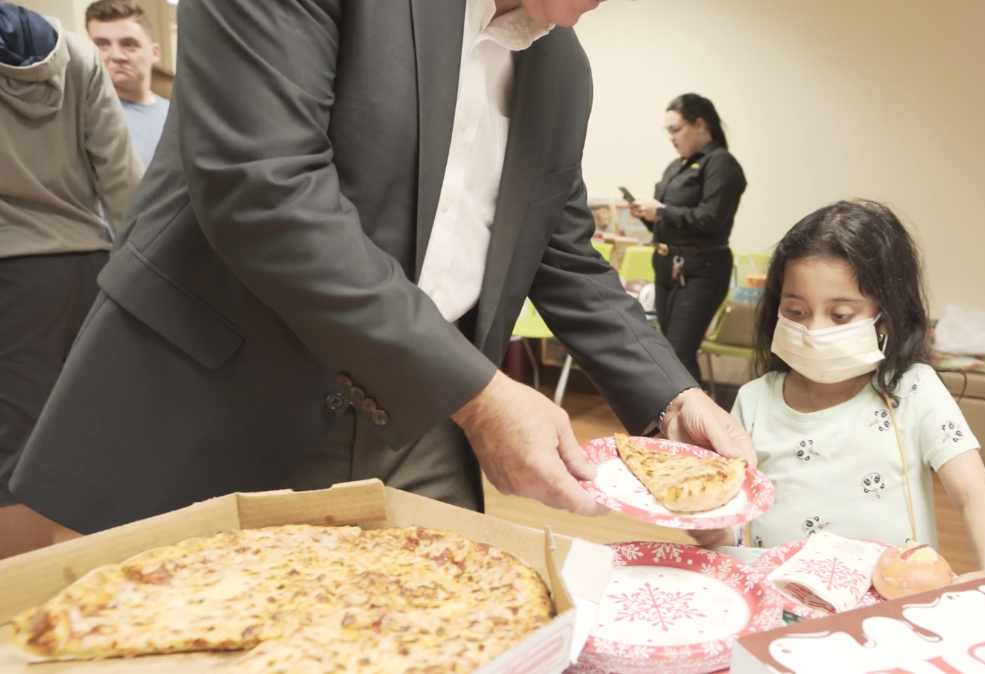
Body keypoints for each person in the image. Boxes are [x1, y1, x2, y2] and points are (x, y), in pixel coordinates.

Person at [10, 0, 754, 536]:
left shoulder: (562, 69)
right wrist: (480, 394)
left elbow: (559, 248)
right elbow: (264, 190)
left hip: (426, 423)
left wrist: (671, 394)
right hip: (223, 389)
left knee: (429, 629)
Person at [694, 200, 985, 583]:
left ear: (886, 316)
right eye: (796, 311)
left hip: (885, 606)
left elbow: (974, 495)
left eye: (840, 315)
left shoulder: (912, 390)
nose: (814, 330)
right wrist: (715, 531)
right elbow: (734, 522)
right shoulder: (753, 400)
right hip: (778, 600)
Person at [0, 2, 141, 557]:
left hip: (12, 271)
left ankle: (21, 610)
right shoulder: (79, 53)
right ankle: (101, 577)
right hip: (90, 267)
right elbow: (124, 178)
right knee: (89, 433)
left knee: (11, 451)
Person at [629, 94, 747, 382]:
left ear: (699, 124)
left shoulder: (721, 164)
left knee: (680, 353)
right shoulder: (676, 166)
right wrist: (650, 217)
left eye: (675, 129)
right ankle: (675, 422)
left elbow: (711, 218)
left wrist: (663, 211)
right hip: (668, 264)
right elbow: (671, 223)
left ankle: (698, 424)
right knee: (668, 351)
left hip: (701, 269)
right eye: (667, 130)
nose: (670, 137)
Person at [85, 0, 168, 169]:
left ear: (154, 53)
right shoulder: (83, 117)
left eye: (129, 44)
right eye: (102, 44)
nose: (116, 55)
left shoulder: (177, 115)